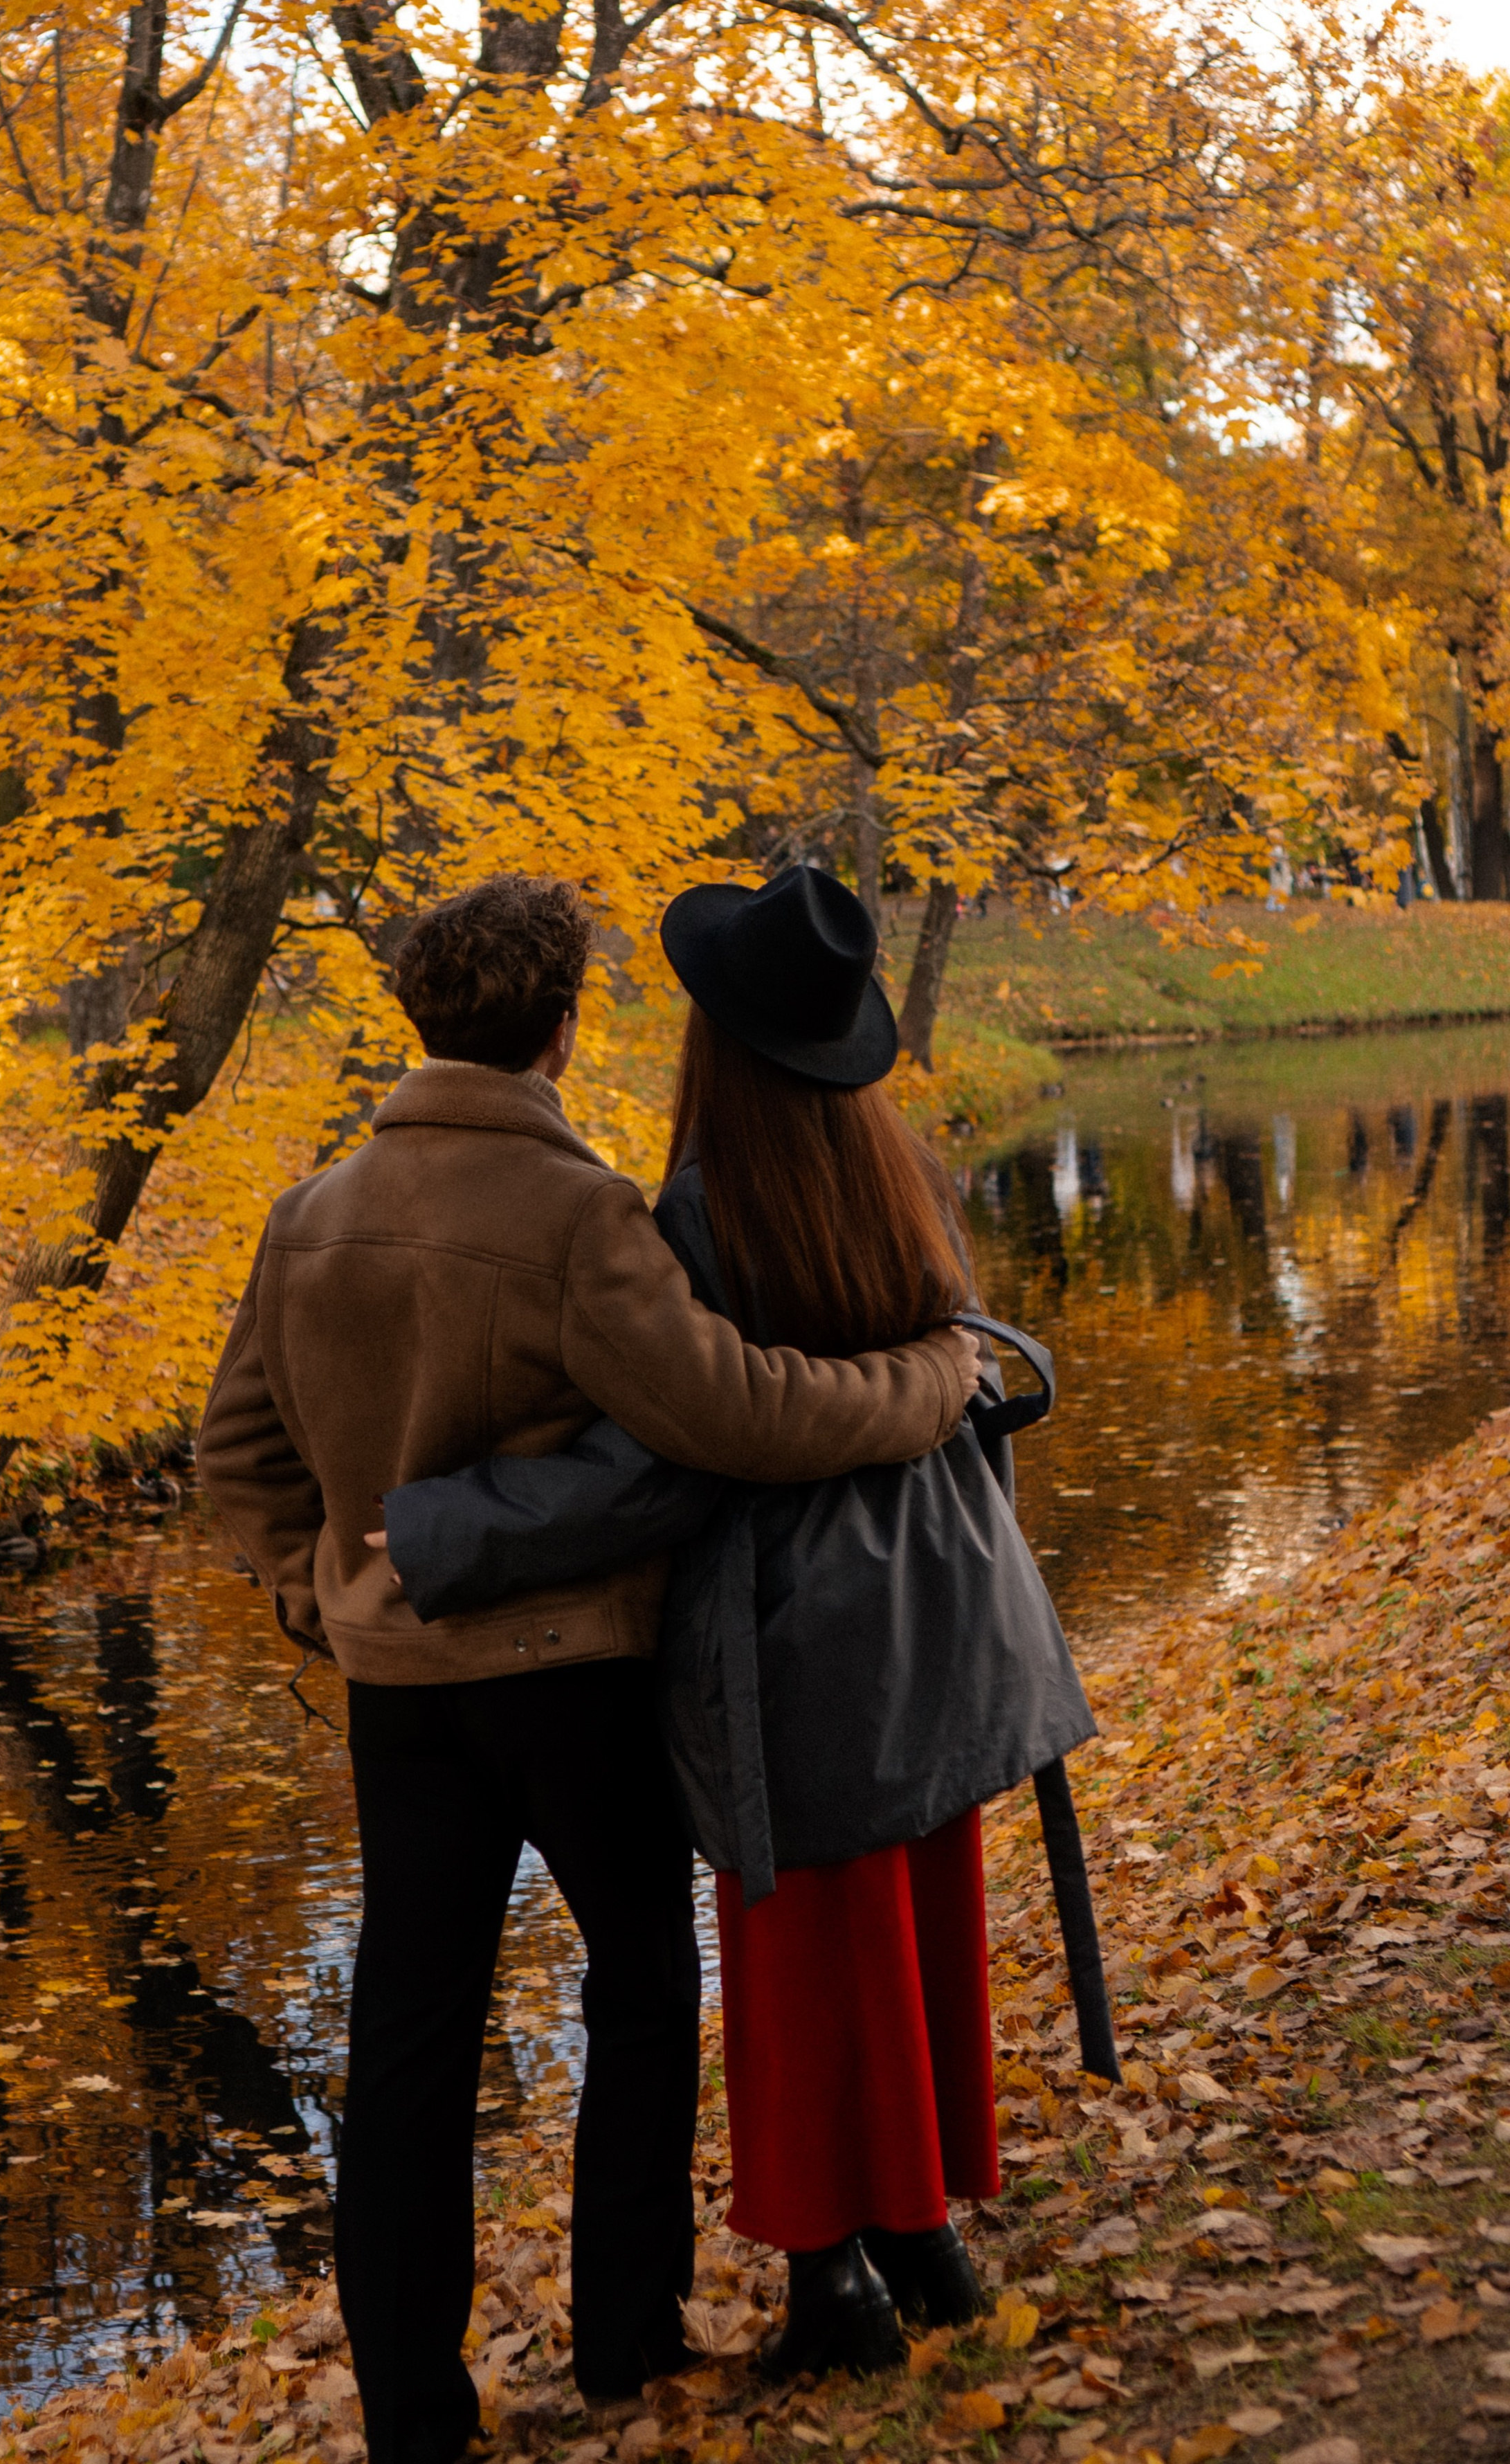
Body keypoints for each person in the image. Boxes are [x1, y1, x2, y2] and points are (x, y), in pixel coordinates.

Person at [194, 873, 979, 2464]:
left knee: (406, 2042)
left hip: (399, 1694)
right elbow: (737, 1413)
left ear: (425, 1018)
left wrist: (319, 1593)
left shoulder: (307, 1215)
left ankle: (415, 2414)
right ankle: (625, 2338)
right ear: (561, 1027)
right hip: (571, 1683)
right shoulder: (580, 1218)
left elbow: (236, 1455)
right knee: (638, 1981)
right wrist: (920, 1381)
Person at [377, 867, 1097, 2382]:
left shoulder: (702, 1210)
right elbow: (938, 1364)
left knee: (801, 1957)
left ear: (714, 1038)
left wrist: (439, 1532)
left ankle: (834, 2275)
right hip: (936, 1613)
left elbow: (663, 1466)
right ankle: (922, 2240)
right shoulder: (896, 1164)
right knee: (907, 1929)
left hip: (792, 1639)